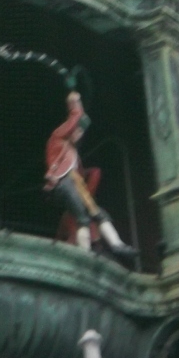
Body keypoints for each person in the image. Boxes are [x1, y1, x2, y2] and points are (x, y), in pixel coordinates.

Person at [44, 92, 135, 259]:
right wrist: (75, 104)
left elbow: (89, 174)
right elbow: (74, 118)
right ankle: (85, 256)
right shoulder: (57, 138)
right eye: (77, 130)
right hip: (64, 183)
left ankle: (117, 245)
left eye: (81, 132)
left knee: (98, 213)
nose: (79, 134)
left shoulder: (74, 155)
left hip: (75, 182)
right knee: (82, 217)